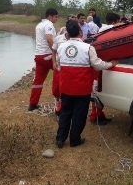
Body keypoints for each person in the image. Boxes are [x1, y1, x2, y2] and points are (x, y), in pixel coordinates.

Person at [55, 20, 118, 148]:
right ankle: (74, 139)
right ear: (80, 32)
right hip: (81, 88)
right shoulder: (88, 48)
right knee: (79, 113)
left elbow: (59, 65)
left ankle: (60, 138)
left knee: (65, 111)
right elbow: (97, 65)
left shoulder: (61, 47)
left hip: (66, 86)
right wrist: (111, 64)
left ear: (67, 33)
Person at [29, 8, 59, 111]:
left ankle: (32, 104)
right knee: (60, 72)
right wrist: (55, 52)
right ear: (50, 16)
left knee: (38, 81)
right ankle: (60, 100)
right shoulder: (49, 24)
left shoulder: (39, 25)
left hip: (39, 55)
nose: (57, 19)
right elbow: (49, 39)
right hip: (47, 55)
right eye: (56, 16)